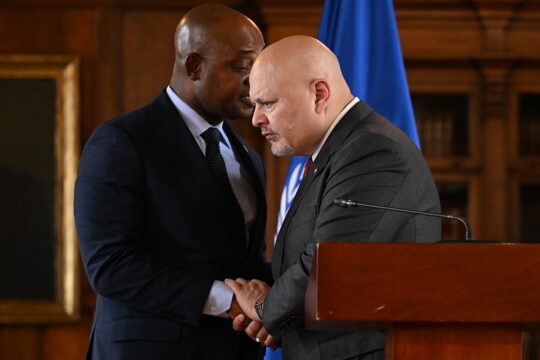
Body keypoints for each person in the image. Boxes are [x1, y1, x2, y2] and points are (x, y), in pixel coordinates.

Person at [74, 4, 272, 359]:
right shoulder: (122, 142)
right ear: (194, 67)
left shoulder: (249, 156)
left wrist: (279, 297)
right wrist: (228, 302)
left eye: (258, 69)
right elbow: (111, 266)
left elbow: (246, 264)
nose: (254, 82)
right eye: (242, 67)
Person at [225, 35, 441, 360]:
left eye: (268, 103)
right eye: (255, 104)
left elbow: (324, 268)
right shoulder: (334, 153)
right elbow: (302, 261)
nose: (256, 119)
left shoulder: (372, 151)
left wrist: (262, 306)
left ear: (319, 94)